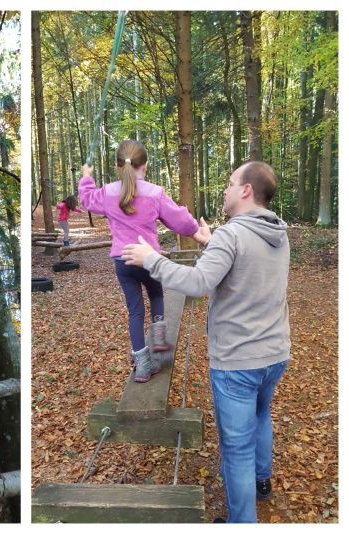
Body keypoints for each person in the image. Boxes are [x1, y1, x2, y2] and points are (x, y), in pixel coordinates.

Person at [122, 161, 290, 523]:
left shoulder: (233, 236)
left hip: (238, 363)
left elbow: (198, 282)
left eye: (231, 183)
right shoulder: (277, 231)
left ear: (246, 190)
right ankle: (262, 482)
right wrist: (210, 242)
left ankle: (241, 523)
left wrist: (152, 259)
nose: (225, 189)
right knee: (262, 414)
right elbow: (242, 268)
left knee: (237, 449)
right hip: (275, 355)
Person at [78, 139, 199, 382]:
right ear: (145, 165)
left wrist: (86, 177)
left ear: (118, 166)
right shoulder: (155, 193)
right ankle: (158, 343)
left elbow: (87, 199)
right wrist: (195, 227)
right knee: (156, 295)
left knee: (135, 310)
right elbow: (180, 221)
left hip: (123, 261)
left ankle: (143, 364)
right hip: (148, 258)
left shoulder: (109, 192)